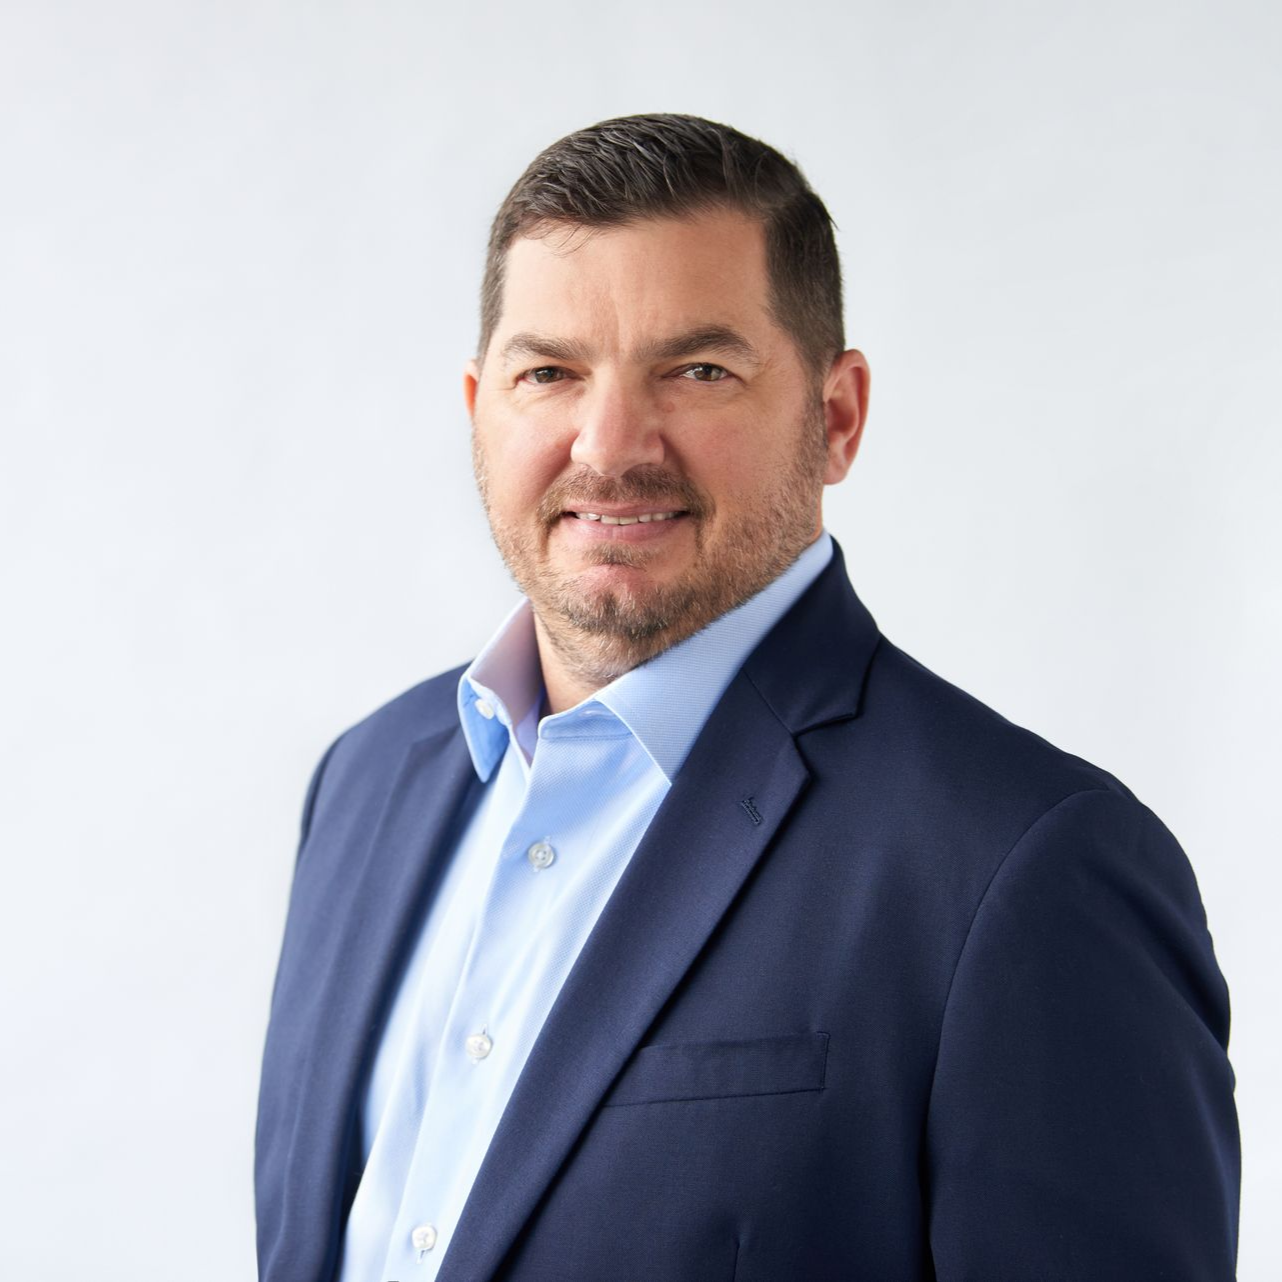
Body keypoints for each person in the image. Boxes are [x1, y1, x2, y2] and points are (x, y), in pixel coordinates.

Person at [255, 114, 1239, 1282]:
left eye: (698, 369)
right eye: (548, 373)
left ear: (835, 416)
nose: (609, 445)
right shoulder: (367, 781)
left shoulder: (1023, 867)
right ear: (480, 405)